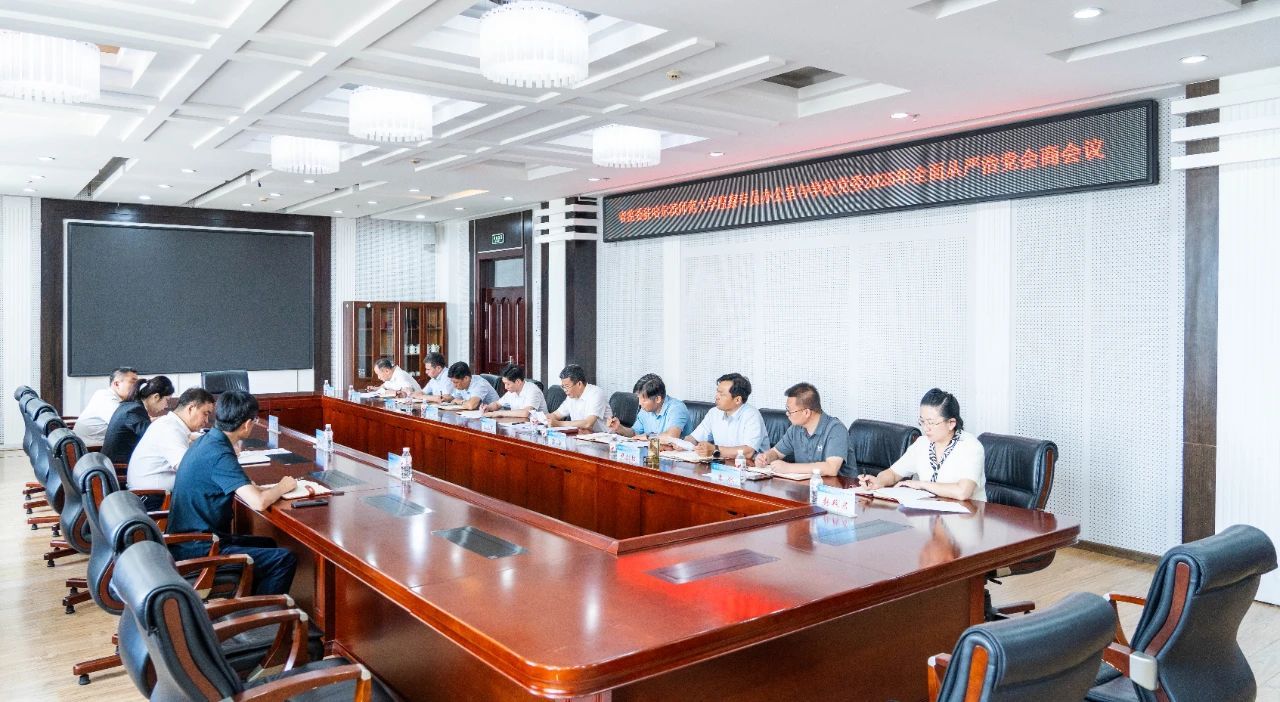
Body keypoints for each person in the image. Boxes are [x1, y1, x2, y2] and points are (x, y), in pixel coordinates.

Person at [166, 391, 298, 596]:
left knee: (268, 544)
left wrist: (264, 489)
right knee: (284, 559)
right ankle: (260, 612)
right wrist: (282, 486)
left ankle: (247, 600)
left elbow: (244, 485)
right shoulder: (220, 453)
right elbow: (258, 502)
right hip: (199, 547)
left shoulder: (207, 440)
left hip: (191, 539)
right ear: (247, 424)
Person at [857, 388, 986, 501]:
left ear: (951, 423)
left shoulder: (970, 446)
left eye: (931, 423)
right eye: (922, 422)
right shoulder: (922, 444)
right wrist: (878, 481)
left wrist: (921, 484)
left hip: (966, 516)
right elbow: (893, 473)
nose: (925, 428)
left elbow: (963, 492)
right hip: (928, 512)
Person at [127, 387, 216, 510]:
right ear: (191, 408)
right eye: (205, 414)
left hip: (156, 495)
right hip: (154, 499)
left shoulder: (170, 424)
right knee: (216, 495)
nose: (206, 420)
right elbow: (189, 469)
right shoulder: (169, 429)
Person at [754, 382, 849, 477]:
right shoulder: (795, 429)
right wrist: (765, 457)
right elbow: (776, 453)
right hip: (807, 484)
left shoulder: (836, 429)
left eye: (790, 411)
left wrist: (788, 468)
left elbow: (831, 468)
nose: (787, 414)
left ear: (806, 412)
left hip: (838, 485)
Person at [683, 373, 768, 459]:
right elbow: (694, 438)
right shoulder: (714, 412)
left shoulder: (752, 415)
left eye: (722, 394)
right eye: (717, 392)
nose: (716, 397)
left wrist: (715, 450)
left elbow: (748, 452)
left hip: (751, 465)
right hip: (723, 463)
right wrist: (683, 444)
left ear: (737, 400)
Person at [102, 375, 175, 464]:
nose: (166, 406)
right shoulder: (135, 410)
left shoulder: (130, 405)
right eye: (167, 400)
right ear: (156, 397)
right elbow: (153, 437)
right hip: (119, 467)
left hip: (114, 462)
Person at [608, 374, 692, 439]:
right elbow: (634, 433)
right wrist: (620, 428)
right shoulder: (645, 410)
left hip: (676, 455)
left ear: (658, 399)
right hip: (653, 452)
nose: (640, 403)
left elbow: (672, 437)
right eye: (639, 398)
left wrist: (647, 437)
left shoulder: (677, 408)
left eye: (644, 400)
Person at [73, 366, 138, 445]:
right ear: (117, 384)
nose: (137, 387)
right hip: (91, 449)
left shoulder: (109, 396)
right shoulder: (105, 398)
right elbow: (126, 424)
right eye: (133, 382)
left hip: (96, 446)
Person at [547, 364, 612, 433]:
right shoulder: (571, 396)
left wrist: (559, 424)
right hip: (583, 435)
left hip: (604, 437)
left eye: (567, 386)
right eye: (563, 387)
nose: (565, 390)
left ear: (579, 384)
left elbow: (588, 423)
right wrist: (544, 419)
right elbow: (556, 415)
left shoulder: (596, 393)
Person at [483, 364, 547, 418]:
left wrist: (498, 413)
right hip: (519, 424)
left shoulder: (533, 390)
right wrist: (487, 407)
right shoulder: (512, 391)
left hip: (538, 426)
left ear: (518, 382)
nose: (505, 387)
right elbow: (497, 404)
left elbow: (525, 413)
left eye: (508, 384)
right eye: (504, 383)